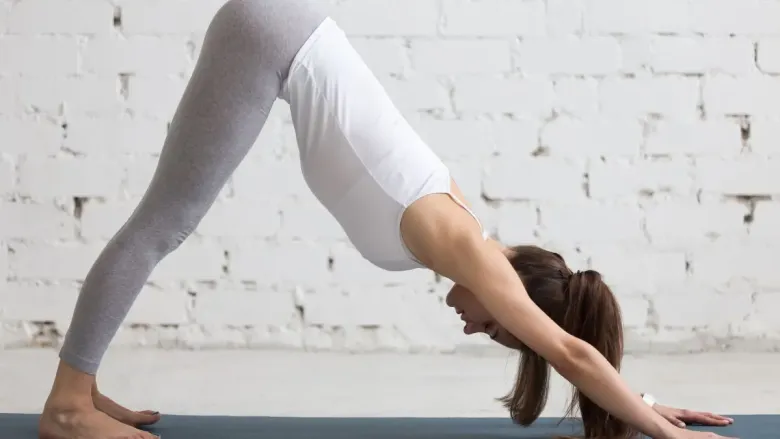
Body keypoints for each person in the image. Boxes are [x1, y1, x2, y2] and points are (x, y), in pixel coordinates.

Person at [38, 1, 735, 438]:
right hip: (274, 34)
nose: (474, 324)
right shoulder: (470, 251)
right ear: (510, 291)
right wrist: (664, 433)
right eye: (493, 323)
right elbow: (570, 352)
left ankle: (85, 385)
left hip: (281, 36)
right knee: (164, 223)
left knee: (165, 222)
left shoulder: (463, 236)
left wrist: (638, 402)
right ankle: (67, 406)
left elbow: (576, 345)